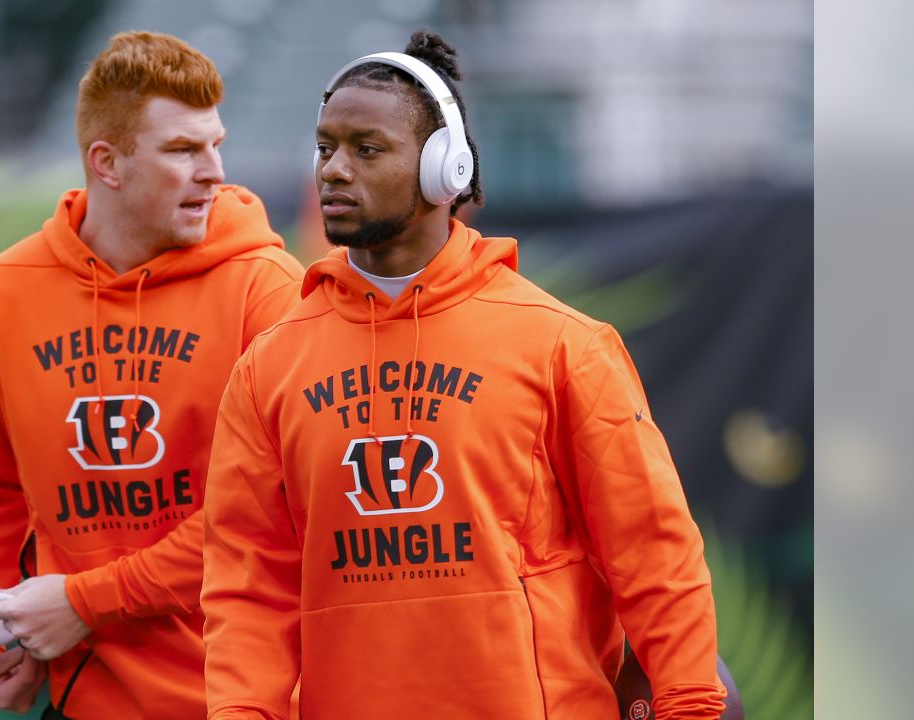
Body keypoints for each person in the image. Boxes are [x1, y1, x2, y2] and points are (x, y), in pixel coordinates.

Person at [200, 30, 728, 720]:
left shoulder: (561, 343)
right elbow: (248, 587)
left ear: (444, 170)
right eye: (325, 147)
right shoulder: (269, 367)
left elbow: (652, 552)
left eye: (367, 148)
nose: (332, 170)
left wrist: (690, 706)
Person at [0, 31, 304, 719]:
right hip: (81, 701)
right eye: (183, 150)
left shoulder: (271, 291)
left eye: (216, 144)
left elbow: (268, 514)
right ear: (107, 163)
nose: (214, 171)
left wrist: (85, 601)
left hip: (239, 702)